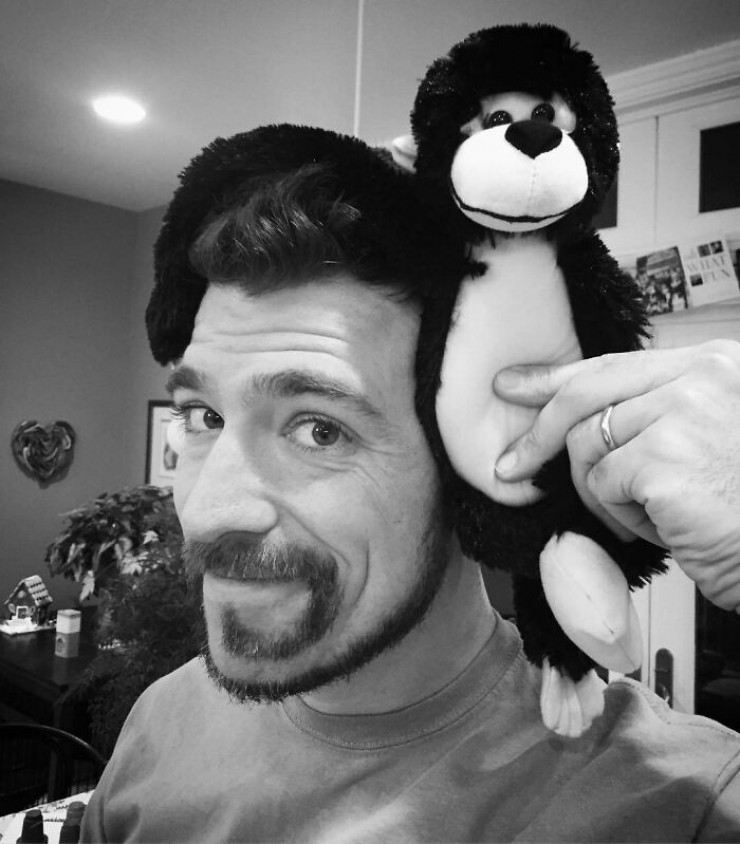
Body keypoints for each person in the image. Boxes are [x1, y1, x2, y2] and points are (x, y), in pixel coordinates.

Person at [81, 125, 740, 843]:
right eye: (203, 416)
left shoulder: (681, 807)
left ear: (475, 477)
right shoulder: (158, 726)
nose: (208, 513)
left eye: (319, 429)